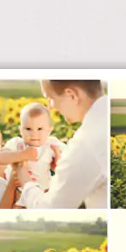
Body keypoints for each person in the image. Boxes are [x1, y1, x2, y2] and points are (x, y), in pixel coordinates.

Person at [14, 80, 108, 210]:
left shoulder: (85, 142)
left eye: (50, 98)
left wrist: (25, 180)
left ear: (71, 96)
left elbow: (51, 209)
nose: (50, 107)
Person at [4, 103, 64, 193]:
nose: (34, 134)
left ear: (49, 130)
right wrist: (20, 155)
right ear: (20, 130)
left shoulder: (51, 144)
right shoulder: (17, 143)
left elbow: (72, 155)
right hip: (18, 191)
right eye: (28, 129)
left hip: (43, 190)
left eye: (40, 129)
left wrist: (59, 159)